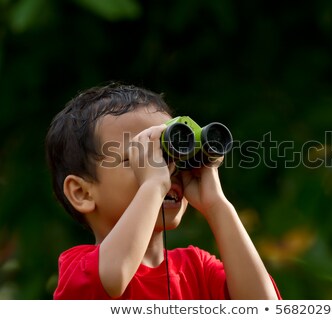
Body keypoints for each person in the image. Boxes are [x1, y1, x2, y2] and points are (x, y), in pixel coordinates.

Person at [46, 83, 281, 300]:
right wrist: (153, 185)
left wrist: (217, 205)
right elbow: (113, 275)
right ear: (82, 193)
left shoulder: (197, 269)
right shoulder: (77, 270)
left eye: (172, 154)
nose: (165, 171)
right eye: (141, 157)